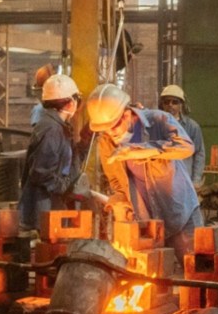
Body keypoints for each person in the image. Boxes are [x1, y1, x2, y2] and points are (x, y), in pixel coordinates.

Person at [85, 83, 203, 257]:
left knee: (195, 266)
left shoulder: (158, 120)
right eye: (105, 129)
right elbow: (116, 181)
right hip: (147, 221)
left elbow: (186, 147)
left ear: (126, 114)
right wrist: (120, 203)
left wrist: (142, 150)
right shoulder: (106, 142)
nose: (110, 133)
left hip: (180, 214)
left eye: (114, 126)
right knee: (152, 271)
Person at [18, 73, 82, 230]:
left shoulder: (58, 126)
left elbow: (67, 162)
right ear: (70, 103)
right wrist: (65, 187)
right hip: (42, 210)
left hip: (51, 206)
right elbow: (41, 173)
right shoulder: (52, 130)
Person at [158, 84, 205, 186]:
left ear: (181, 105)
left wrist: (196, 180)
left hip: (183, 180)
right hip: (161, 180)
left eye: (175, 102)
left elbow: (199, 154)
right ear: (162, 105)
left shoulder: (192, 127)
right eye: (167, 102)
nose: (170, 105)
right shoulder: (156, 125)